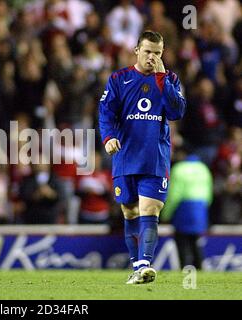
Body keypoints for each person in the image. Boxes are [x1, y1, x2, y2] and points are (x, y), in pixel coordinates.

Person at [99, 31, 186, 284]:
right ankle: (138, 266)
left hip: (154, 159)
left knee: (150, 209)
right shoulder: (118, 79)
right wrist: (108, 138)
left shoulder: (169, 79)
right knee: (129, 210)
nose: (152, 57)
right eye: (148, 51)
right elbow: (106, 113)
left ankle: (145, 263)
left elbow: (176, 111)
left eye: (157, 53)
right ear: (137, 50)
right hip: (125, 157)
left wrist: (162, 78)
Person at [161, 152, 213, 269]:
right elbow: (209, 193)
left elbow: (174, 195)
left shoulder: (179, 169)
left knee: (182, 241)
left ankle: (184, 267)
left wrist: (166, 215)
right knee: (196, 240)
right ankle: (199, 267)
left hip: (183, 208)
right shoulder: (203, 168)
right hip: (200, 207)